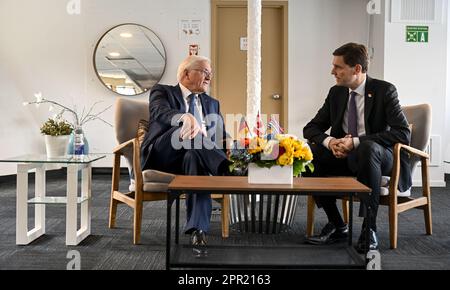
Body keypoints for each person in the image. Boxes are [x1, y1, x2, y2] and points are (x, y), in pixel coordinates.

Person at [303, 43, 411, 253]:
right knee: (309, 154)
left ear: (357, 69)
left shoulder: (384, 90)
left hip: (380, 158)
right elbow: (312, 128)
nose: (332, 71)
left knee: (367, 148)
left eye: (338, 67)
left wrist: (355, 142)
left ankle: (369, 228)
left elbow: (402, 133)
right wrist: (331, 142)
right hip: (346, 158)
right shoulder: (337, 93)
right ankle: (338, 225)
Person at [140, 55, 230, 257]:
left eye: (211, 73)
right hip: (163, 154)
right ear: (185, 73)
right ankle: (227, 169)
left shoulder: (212, 103)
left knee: (194, 158)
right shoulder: (162, 91)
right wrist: (185, 117)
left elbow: (221, 136)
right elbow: (159, 112)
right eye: (205, 72)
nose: (209, 77)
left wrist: (236, 143)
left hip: (196, 157)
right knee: (188, 132)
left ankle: (198, 229)